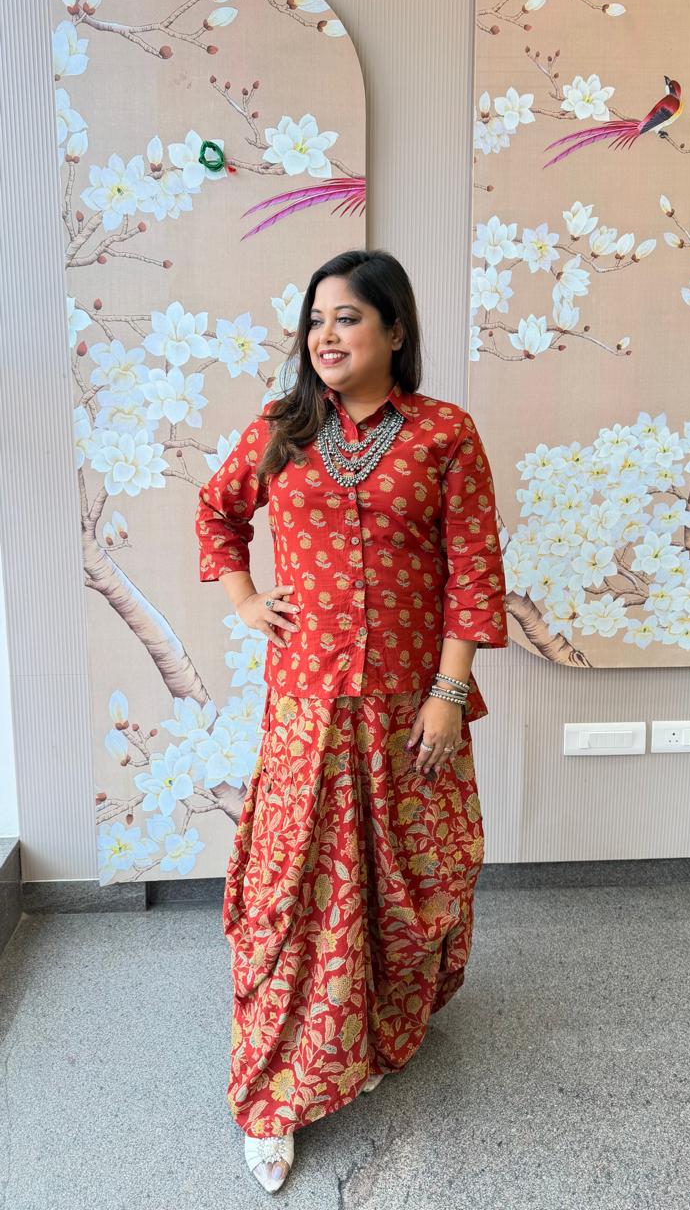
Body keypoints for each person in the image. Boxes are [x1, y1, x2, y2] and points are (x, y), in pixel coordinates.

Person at [194, 249, 508, 1193]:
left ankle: (379, 1024)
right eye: (315, 321)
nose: (325, 337)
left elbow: (474, 570)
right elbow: (217, 515)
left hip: (416, 708)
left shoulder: (445, 435)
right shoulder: (282, 432)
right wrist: (248, 601)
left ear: (395, 330)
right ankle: (278, 1093)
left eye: (348, 319)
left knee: (416, 875)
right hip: (308, 709)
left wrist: (450, 694)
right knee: (300, 896)